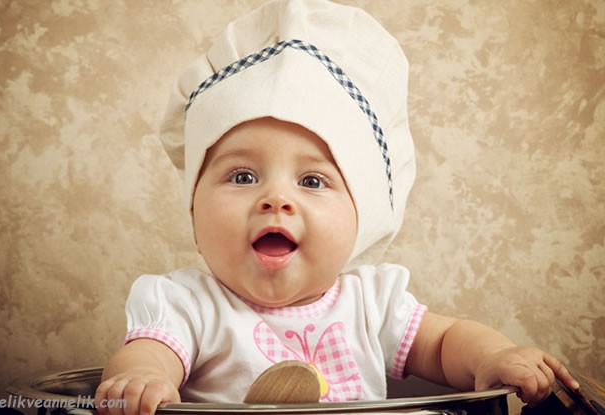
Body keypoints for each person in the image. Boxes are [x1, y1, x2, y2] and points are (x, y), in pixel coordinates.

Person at [95, 1, 579, 414]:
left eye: (312, 181)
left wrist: (493, 356)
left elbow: (444, 341)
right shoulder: (189, 305)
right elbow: (150, 352)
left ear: (359, 219)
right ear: (194, 210)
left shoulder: (370, 304)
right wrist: (141, 378)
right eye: (242, 177)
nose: (276, 199)